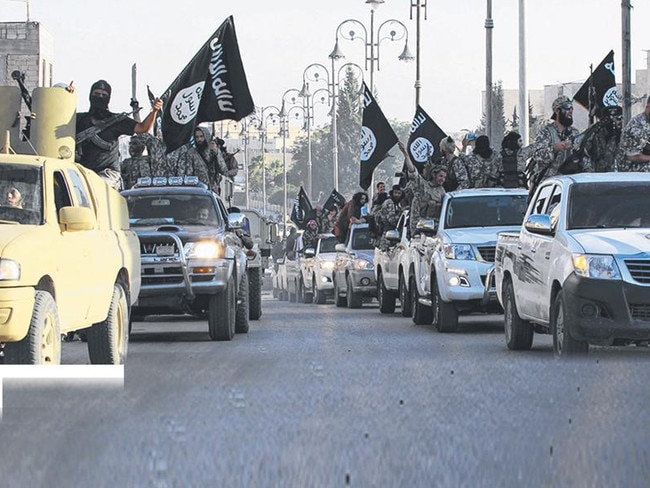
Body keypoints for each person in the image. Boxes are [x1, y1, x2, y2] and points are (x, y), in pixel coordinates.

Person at [75, 79, 163, 190]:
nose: (100, 97)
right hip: (82, 173)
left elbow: (142, 128)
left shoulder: (117, 121)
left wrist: (154, 111)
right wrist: (66, 94)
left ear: (108, 99)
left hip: (108, 174)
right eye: (96, 94)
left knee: (94, 189)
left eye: (104, 95)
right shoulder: (79, 120)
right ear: (90, 96)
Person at [527, 95, 582, 195]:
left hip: (569, 186)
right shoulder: (546, 132)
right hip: (548, 188)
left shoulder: (574, 133)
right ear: (557, 111)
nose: (570, 111)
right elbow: (537, 155)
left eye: (571, 108)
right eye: (567, 107)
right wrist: (555, 148)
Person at [399, 141, 446, 236]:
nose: (442, 179)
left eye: (444, 177)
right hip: (419, 230)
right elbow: (412, 172)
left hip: (436, 230)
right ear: (434, 175)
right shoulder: (422, 186)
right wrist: (406, 154)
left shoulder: (442, 191)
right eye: (440, 176)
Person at [180, 126, 235, 194]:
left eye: (201, 136)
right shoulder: (191, 153)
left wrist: (216, 153)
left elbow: (223, 171)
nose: (199, 139)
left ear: (206, 136)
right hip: (198, 192)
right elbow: (189, 175)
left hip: (213, 192)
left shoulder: (214, 151)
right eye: (197, 137)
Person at [576, 105, 623, 173]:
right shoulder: (596, 136)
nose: (620, 121)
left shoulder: (623, 136)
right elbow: (585, 154)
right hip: (599, 177)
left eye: (621, 118)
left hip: (620, 177)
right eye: (618, 118)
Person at [617, 95, 650, 172]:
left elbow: (646, 145)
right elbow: (633, 156)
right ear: (647, 106)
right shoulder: (637, 126)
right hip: (630, 168)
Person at [373, 184, 404, 250]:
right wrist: (401, 212)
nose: (397, 195)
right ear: (392, 193)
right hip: (387, 239)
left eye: (399, 193)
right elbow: (392, 221)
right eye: (395, 192)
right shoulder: (390, 203)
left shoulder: (397, 205)